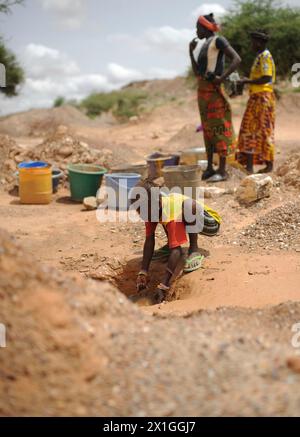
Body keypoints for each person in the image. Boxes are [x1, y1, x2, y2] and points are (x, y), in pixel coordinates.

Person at [132, 179, 221, 303]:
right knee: (165, 220)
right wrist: (143, 272)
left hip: (210, 223)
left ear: (154, 204)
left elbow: (177, 252)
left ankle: (193, 249)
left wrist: (163, 285)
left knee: (189, 207)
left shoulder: (169, 211)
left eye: (141, 211)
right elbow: (149, 240)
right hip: (174, 214)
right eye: (138, 211)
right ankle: (171, 243)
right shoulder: (151, 210)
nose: (140, 215)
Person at [189, 13, 241, 182]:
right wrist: (191, 53)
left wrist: (222, 77)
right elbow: (198, 72)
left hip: (214, 91)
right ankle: (211, 168)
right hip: (203, 92)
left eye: (198, 27)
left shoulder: (218, 41)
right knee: (208, 130)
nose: (196, 30)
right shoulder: (204, 45)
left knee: (220, 128)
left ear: (205, 28)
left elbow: (236, 59)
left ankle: (223, 170)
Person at [236, 30, 276, 174]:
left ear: (259, 42)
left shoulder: (265, 57)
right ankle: (250, 166)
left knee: (263, 130)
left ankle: (268, 165)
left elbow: (266, 78)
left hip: (263, 98)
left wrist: (247, 81)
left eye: (253, 42)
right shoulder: (259, 57)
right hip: (256, 98)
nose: (251, 45)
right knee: (250, 130)